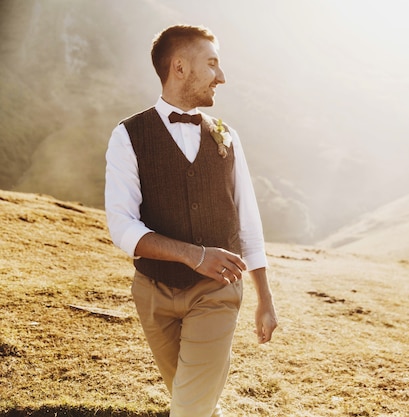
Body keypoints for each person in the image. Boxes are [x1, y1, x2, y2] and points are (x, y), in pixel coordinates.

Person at [104, 24, 278, 416]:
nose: (222, 76)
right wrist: (194, 255)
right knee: (192, 399)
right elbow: (122, 226)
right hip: (153, 293)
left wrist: (265, 299)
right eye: (212, 64)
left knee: (189, 408)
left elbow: (247, 221)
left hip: (218, 291)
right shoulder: (128, 136)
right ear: (179, 67)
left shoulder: (227, 136)